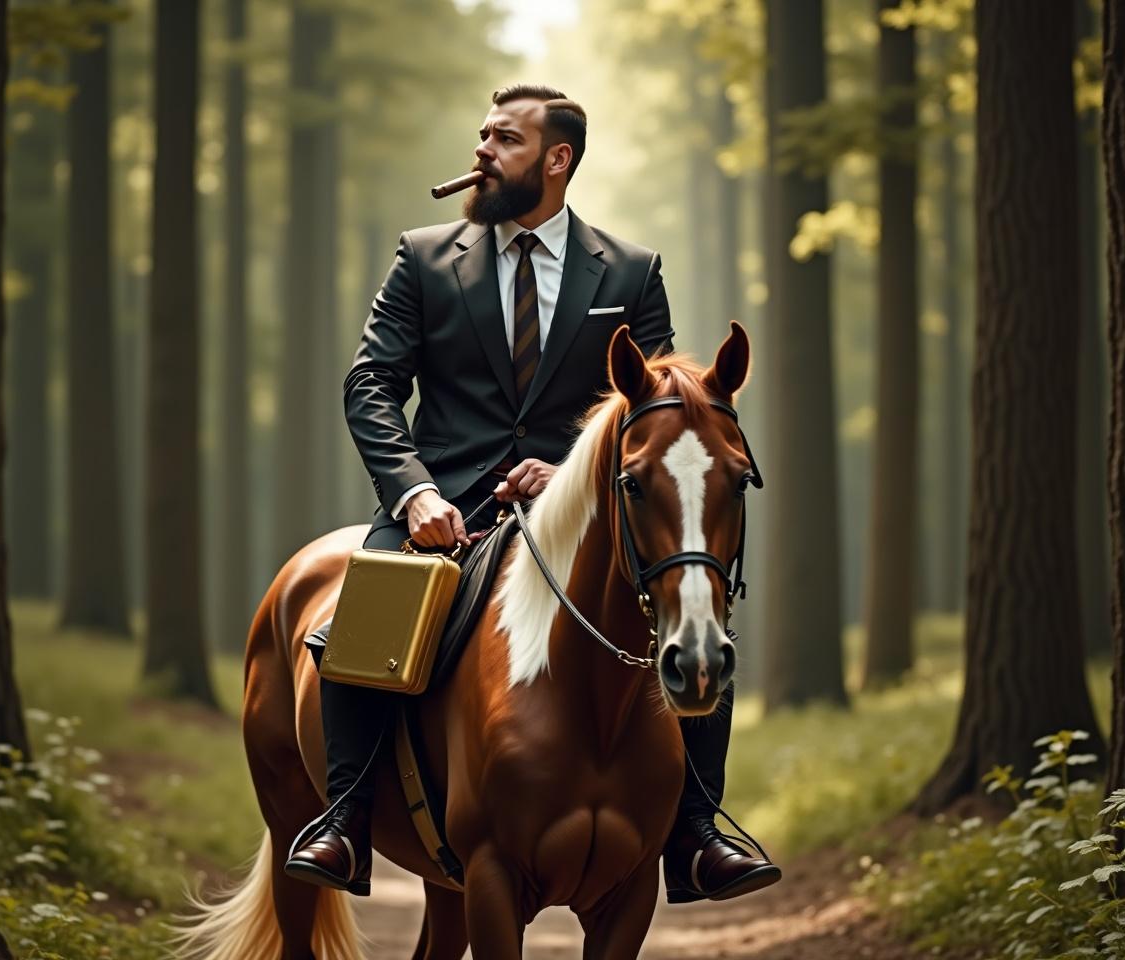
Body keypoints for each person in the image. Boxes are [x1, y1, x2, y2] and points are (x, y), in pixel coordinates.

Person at [285, 83, 780, 903]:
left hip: (579, 512)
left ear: (557, 160)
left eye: (505, 139)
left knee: (693, 615)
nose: (483, 150)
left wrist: (571, 473)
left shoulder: (630, 270)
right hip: (442, 512)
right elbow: (371, 384)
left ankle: (696, 832)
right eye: (481, 134)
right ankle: (344, 819)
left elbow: (657, 411)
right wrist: (412, 496)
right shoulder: (422, 256)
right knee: (357, 624)